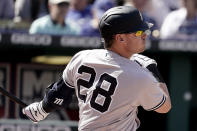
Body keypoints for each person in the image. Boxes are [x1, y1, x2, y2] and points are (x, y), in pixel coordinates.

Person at [23, 6, 171, 131]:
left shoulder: (82, 57)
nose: (145, 35)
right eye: (138, 32)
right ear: (120, 38)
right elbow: (164, 107)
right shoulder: (140, 75)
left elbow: (59, 94)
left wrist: (42, 109)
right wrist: (152, 70)